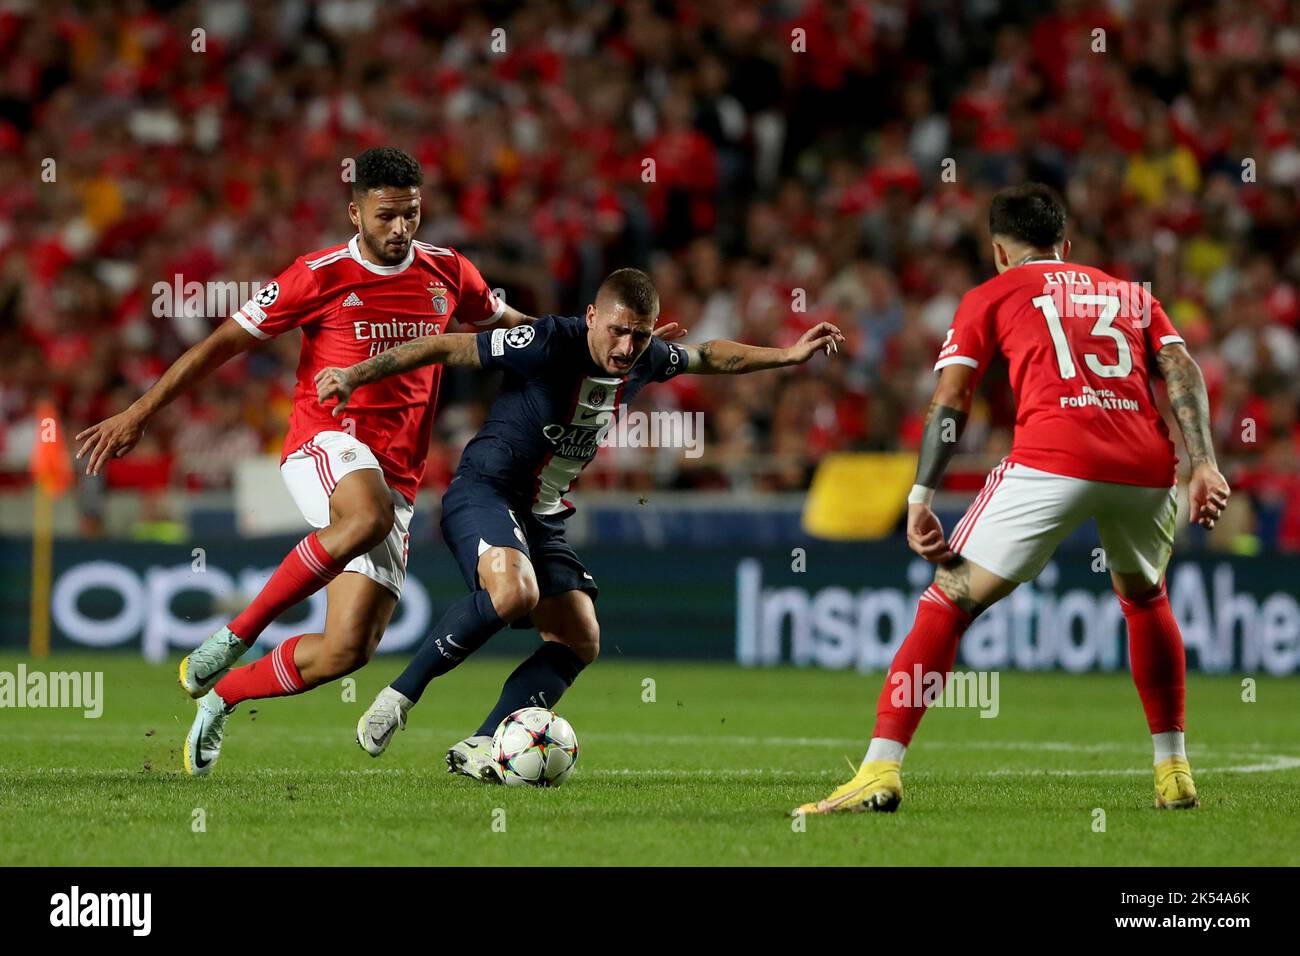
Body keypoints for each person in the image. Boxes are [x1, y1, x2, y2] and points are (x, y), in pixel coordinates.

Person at [75, 147, 534, 777]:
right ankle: (231, 637)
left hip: (398, 478)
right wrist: (141, 411)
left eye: (411, 214)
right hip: (324, 442)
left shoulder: (449, 271)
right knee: (366, 514)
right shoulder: (316, 274)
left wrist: (595, 346)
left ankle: (223, 695)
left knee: (348, 650)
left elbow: (516, 331)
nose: (400, 229)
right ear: (355, 213)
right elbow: (224, 343)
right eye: (386, 216)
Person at [797, 183, 1229, 815]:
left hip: (1053, 458)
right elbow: (1182, 369)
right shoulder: (1132, 292)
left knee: (947, 598)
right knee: (1145, 597)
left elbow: (953, 397)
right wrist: (1206, 463)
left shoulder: (991, 292)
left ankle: (880, 770)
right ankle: (1173, 770)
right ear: (1067, 245)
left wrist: (920, 493)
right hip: (1145, 463)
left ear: (999, 251)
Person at [315, 267, 845, 781]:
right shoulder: (544, 341)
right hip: (485, 492)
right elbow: (442, 345)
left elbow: (711, 355)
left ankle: (481, 743)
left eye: (638, 335)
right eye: (616, 330)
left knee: (580, 637)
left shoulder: (645, 357)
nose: (625, 347)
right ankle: (399, 697)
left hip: (543, 515)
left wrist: (788, 355)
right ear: (591, 315)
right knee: (514, 592)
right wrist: (353, 375)